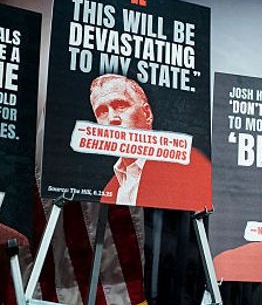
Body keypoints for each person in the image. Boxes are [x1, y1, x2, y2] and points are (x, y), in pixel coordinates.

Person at [89, 74, 211, 210]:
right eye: (102, 112)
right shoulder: (110, 190)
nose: (112, 119)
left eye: (120, 105)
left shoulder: (187, 164)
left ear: (147, 114)